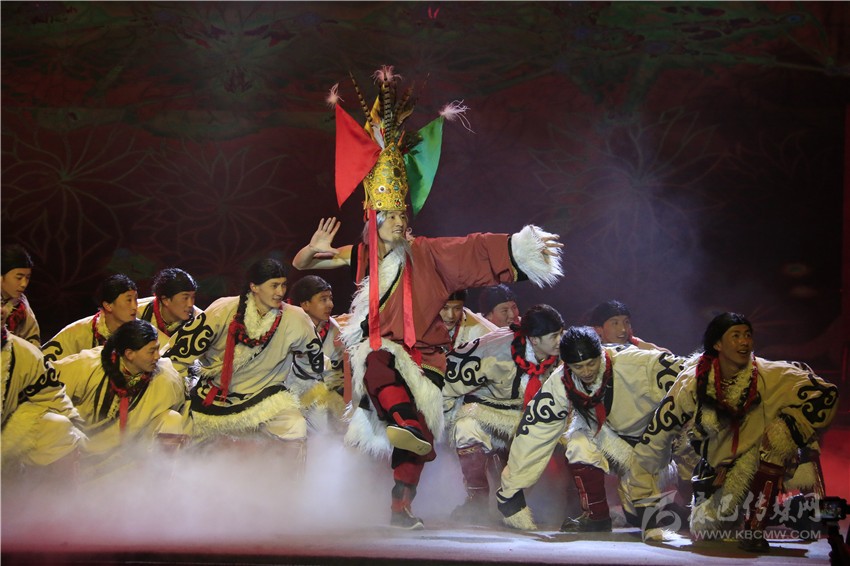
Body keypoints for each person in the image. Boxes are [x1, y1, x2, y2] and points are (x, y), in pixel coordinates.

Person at [625, 312, 839, 553]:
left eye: (747, 335)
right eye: (735, 336)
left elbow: (827, 394)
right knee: (708, 530)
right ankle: (797, 510)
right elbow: (655, 438)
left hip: (765, 462)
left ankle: (756, 531)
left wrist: (789, 431)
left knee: (776, 442)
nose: (744, 341)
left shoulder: (769, 373)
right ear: (717, 344)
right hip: (718, 470)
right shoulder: (692, 383)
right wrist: (645, 506)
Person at [496, 326, 688, 532]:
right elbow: (534, 431)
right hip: (609, 440)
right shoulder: (561, 381)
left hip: (652, 449)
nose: (586, 372)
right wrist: (510, 492)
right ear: (567, 364)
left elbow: (691, 378)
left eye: (591, 363)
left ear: (601, 354)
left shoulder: (639, 363)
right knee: (579, 442)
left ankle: (676, 510)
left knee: (639, 519)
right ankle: (596, 517)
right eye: (578, 367)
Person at [164, 259, 322, 463]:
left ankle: (287, 482)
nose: (280, 292)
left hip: (266, 399)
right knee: (176, 431)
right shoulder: (223, 310)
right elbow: (177, 357)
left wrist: (294, 390)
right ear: (254, 287)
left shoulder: (297, 318)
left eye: (283, 285)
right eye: (274, 285)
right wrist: (177, 394)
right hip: (213, 399)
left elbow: (313, 363)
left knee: (294, 425)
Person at [443, 304, 564, 524]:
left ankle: (567, 505)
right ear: (534, 339)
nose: (560, 340)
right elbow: (448, 380)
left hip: (536, 418)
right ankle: (477, 500)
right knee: (465, 427)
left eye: (561, 333)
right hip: (488, 412)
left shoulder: (565, 355)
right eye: (554, 336)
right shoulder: (494, 350)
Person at [52, 319, 190, 470]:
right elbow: (46, 391)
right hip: (83, 457)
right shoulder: (87, 366)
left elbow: (183, 412)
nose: (157, 356)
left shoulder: (167, 378)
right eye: (151, 351)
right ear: (129, 354)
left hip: (130, 458)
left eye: (158, 349)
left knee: (172, 419)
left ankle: (159, 481)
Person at [1, 323, 85, 478]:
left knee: (60, 428)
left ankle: (62, 494)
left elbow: (52, 395)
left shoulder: (24, 352)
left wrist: (74, 431)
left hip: (5, 437)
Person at [286, 274, 346, 431]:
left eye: (330, 298)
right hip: (286, 393)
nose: (330, 304)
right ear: (305, 304)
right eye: (323, 299)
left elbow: (336, 376)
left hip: (320, 394)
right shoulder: (286, 327)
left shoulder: (334, 331)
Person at [42, 274, 138, 362]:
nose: (135, 306)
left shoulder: (143, 334)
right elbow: (43, 363)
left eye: (136, 299)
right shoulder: (77, 333)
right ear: (108, 305)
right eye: (129, 300)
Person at [138, 268, 202, 350]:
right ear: (165, 300)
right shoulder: (137, 312)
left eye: (193, 297)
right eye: (185, 298)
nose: (190, 304)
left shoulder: (201, 320)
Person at [1, 244, 41, 346]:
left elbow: (33, 339)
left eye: (27, 278)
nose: (24, 284)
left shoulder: (21, 304)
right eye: (19, 278)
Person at [588, 299, 664, 351]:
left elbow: (664, 354)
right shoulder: (591, 352)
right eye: (615, 323)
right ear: (598, 329)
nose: (623, 329)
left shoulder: (633, 344)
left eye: (626, 322)